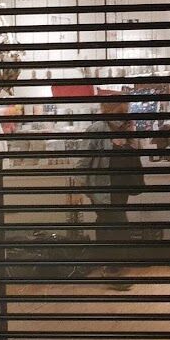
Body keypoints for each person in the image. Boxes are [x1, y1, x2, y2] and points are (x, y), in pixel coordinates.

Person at [73, 100, 145, 291]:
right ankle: (112, 271)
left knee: (107, 226)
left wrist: (130, 136)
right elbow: (83, 160)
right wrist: (79, 188)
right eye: (121, 111)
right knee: (118, 227)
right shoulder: (98, 129)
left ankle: (108, 266)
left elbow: (134, 154)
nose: (124, 115)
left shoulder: (126, 128)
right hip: (102, 189)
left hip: (120, 189)